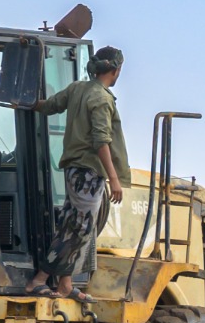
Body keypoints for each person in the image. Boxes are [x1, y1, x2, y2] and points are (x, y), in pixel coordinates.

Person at [25, 45, 129, 300]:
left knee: (70, 225)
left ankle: (65, 285)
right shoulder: (102, 99)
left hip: (75, 170)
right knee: (80, 230)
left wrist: (25, 103)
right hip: (88, 173)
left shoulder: (77, 88)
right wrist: (114, 179)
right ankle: (38, 280)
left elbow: (50, 106)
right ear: (115, 70)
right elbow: (101, 141)